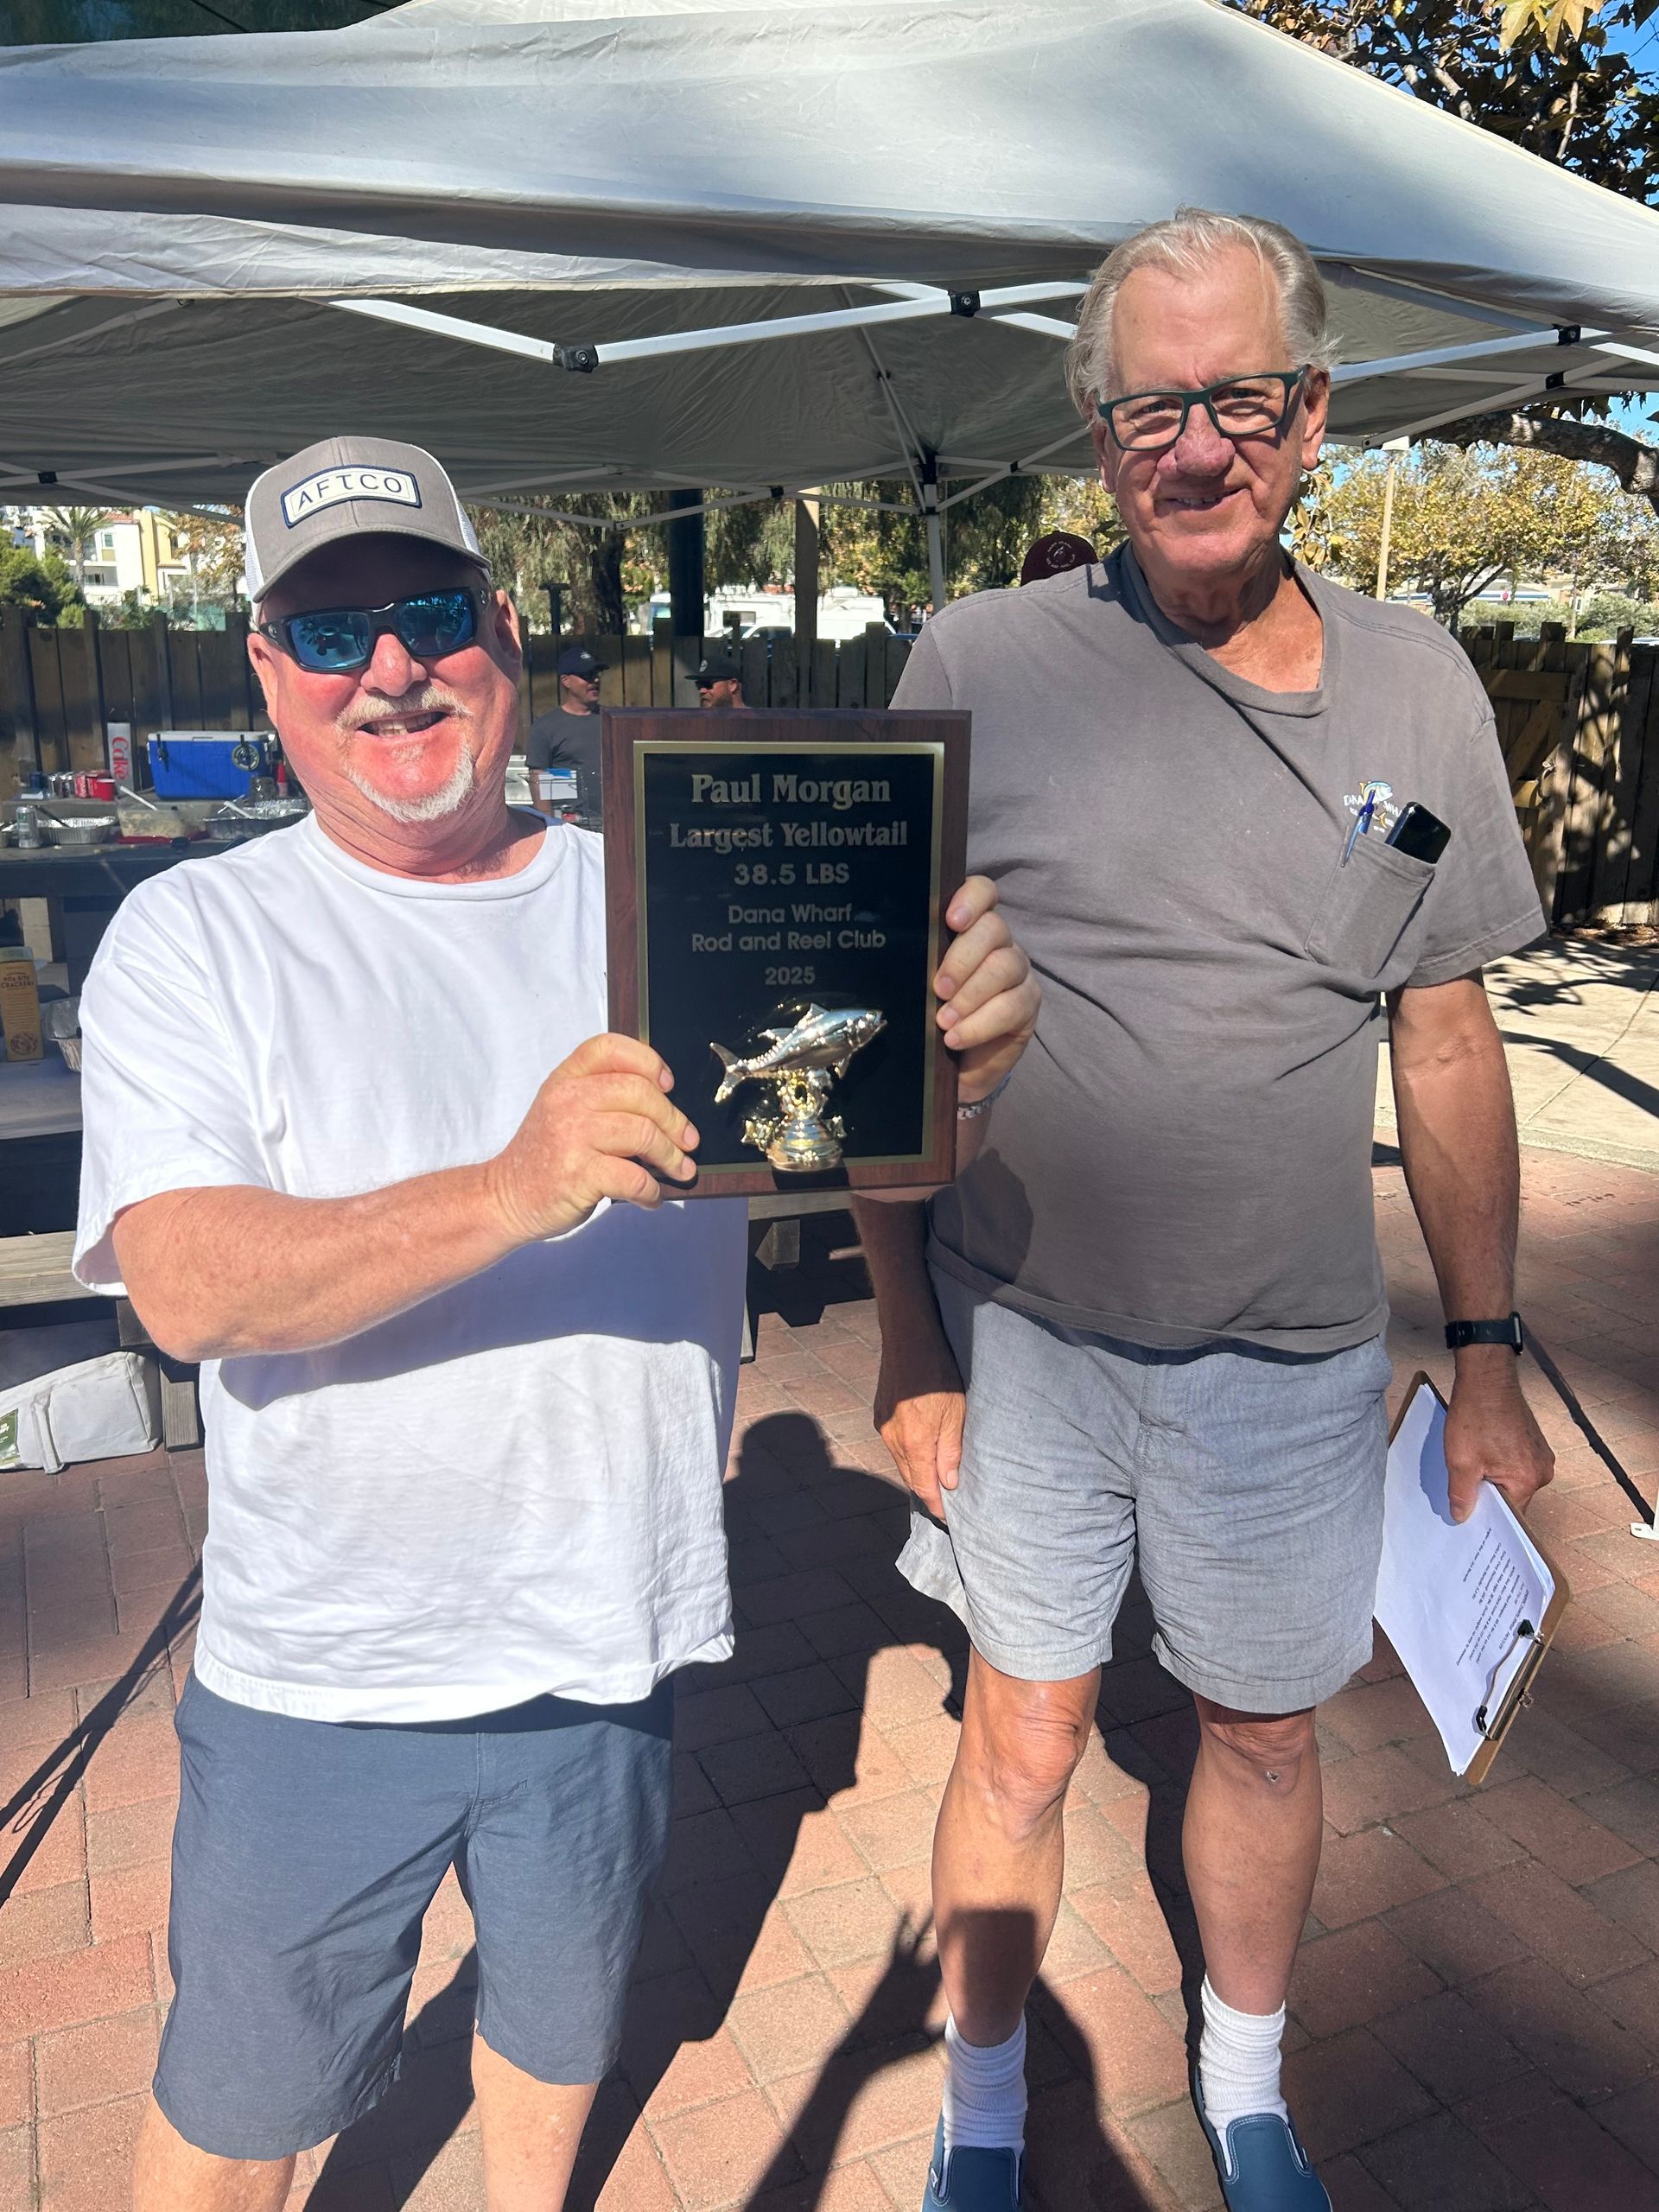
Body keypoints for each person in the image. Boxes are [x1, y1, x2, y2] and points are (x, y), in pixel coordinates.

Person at [73, 433, 1039, 2212]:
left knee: (557, 2043)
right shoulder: (195, 932)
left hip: (612, 1637)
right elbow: (191, 1281)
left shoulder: (654, 888)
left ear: (505, 631)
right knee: (234, 2120)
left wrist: (966, 1067)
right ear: (265, 675)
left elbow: (870, 1152)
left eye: (430, 612)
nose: (392, 667)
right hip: (331, 1676)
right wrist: (518, 1181)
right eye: (330, 634)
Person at [853, 211, 1554, 2212]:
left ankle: (1244, 2086)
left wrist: (1488, 1354)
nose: (1196, 442)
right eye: (1151, 402)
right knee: (1021, 1736)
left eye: (1238, 394)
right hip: (1033, 1342)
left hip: (1296, 1358)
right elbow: (873, 1034)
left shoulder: (1419, 694)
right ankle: (983, 2109)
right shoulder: (976, 663)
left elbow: (1442, 1039)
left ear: (1312, 416)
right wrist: (904, 1339)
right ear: (1096, 432)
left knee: (1261, 1736)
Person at [525, 643, 602, 822]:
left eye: (596, 674)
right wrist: (550, 825)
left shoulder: (612, 721)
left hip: (615, 825)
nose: (595, 680)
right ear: (566, 681)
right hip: (570, 827)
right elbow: (540, 778)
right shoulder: (546, 727)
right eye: (587, 676)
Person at [696, 642, 747, 709]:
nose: (702, 691)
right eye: (699, 685)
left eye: (707, 684)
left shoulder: (757, 718)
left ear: (732, 685)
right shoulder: (696, 718)